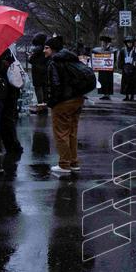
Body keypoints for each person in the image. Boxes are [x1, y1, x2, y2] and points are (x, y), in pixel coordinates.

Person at [45, 35, 93, 177]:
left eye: (46, 48)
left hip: (63, 102)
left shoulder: (54, 63)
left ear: (53, 49)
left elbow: (55, 85)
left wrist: (52, 102)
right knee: (72, 132)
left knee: (61, 133)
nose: (44, 50)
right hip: (77, 99)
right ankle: (73, 162)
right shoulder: (71, 60)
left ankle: (64, 164)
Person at [27, 33, 49, 113]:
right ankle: (45, 106)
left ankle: (40, 106)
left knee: (38, 88)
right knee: (44, 88)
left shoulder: (36, 50)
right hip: (45, 70)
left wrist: (29, 57)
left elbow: (31, 60)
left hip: (37, 71)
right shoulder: (46, 48)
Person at [92, 34, 117, 100]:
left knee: (108, 81)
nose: (103, 43)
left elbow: (114, 58)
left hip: (108, 68)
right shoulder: (99, 49)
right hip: (102, 68)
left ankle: (107, 94)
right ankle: (104, 94)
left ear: (107, 43)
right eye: (102, 42)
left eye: (104, 42)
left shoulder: (112, 50)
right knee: (102, 81)